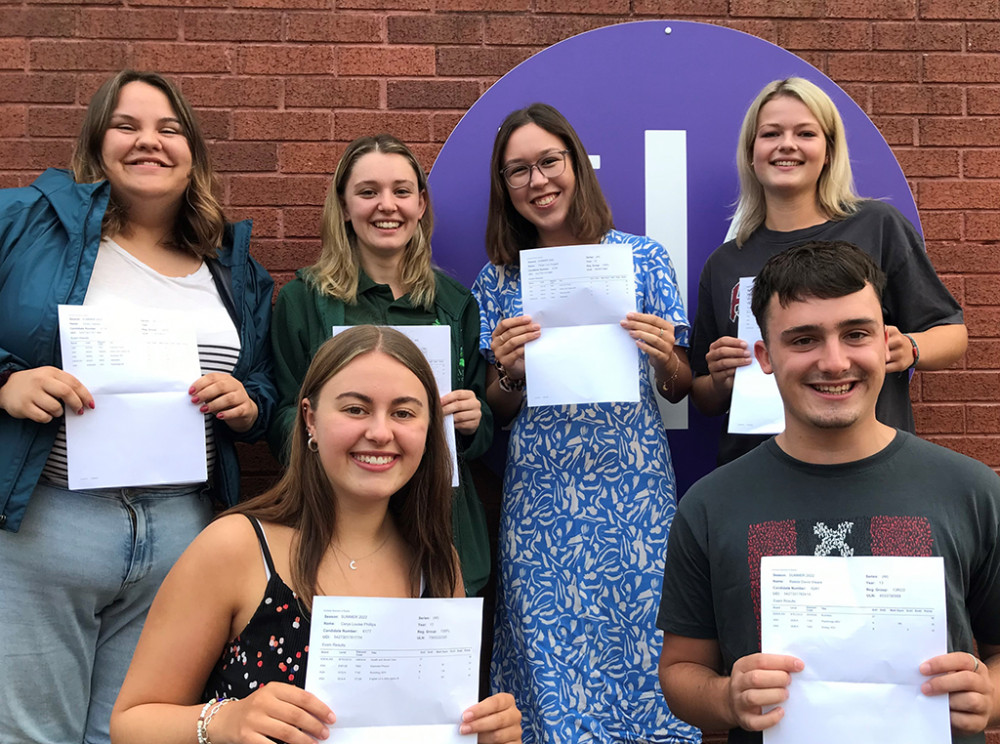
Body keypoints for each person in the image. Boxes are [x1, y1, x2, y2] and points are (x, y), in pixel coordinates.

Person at [0, 70, 275, 744]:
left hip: (181, 534)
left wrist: (248, 405)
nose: (148, 141)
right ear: (98, 141)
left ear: (193, 154)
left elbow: (265, 385)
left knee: (136, 732)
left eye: (169, 129)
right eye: (127, 125)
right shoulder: (23, 222)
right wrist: (5, 383)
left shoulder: (230, 267)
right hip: (50, 525)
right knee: (33, 733)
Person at [110, 326, 522, 744]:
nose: (380, 432)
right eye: (356, 409)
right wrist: (224, 721)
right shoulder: (236, 548)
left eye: (403, 412)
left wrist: (484, 735)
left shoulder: (437, 563)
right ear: (310, 418)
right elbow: (131, 723)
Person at [658, 242, 1000, 744]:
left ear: (887, 342)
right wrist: (726, 698)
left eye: (855, 334)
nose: (834, 361)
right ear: (764, 356)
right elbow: (681, 670)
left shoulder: (971, 490)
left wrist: (989, 696)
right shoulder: (710, 505)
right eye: (803, 339)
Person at [472, 102, 697, 743]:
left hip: (633, 489)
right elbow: (498, 406)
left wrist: (664, 356)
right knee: (547, 651)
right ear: (504, 188)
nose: (537, 181)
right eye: (518, 171)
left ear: (576, 165)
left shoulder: (641, 259)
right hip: (542, 495)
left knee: (644, 637)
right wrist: (510, 371)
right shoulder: (498, 280)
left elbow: (678, 387)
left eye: (549, 162)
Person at [690, 76, 967, 466]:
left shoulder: (877, 225)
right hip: (759, 473)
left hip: (867, 465)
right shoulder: (725, 262)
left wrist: (911, 348)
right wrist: (719, 379)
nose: (787, 144)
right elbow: (703, 395)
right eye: (771, 133)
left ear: (829, 151)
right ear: (751, 152)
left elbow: (952, 333)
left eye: (805, 133)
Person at [268, 134, 492, 596]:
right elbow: (282, 421)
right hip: (334, 528)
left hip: (440, 529)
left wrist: (473, 420)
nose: (386, 206)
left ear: (421, 204)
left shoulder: (455, 305)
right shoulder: (302, 302)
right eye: (368, 192)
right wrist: (333, 422)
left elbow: (483, 431)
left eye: (401, 191)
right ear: (344, 207)